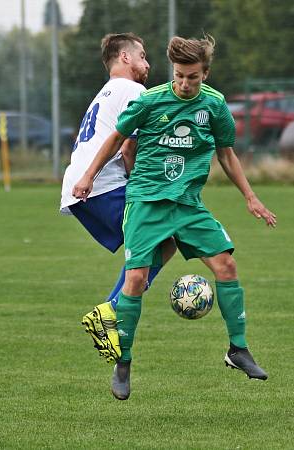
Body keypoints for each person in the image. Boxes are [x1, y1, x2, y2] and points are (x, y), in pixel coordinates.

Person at [74, 34, 277, 400]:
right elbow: (119, 140)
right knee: (135, 280)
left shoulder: (214, 106)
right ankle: (124, 363)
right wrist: (88, 176)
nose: (185, 83)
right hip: (147, 204)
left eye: (193, 77)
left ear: (206, 73)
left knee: (226, 267)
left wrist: (251, 197)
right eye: (180, 75)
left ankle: (238, 350)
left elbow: (227, 155)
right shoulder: (150, 100)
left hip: (188, 205)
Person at [59, 33, 177, 363]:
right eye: (142, 56)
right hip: (101, 186)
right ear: (125, 58)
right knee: (169, 232)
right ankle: (111, 310)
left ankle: (112, 310)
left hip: (84, 188)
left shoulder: (107, 92)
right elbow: (128, 145)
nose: (148, 63)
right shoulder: (133, 90)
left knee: (163, 239)